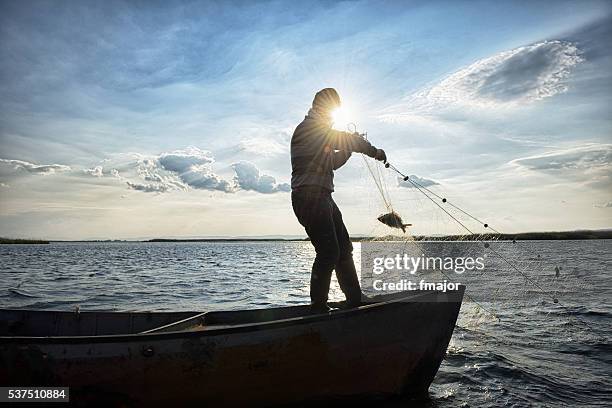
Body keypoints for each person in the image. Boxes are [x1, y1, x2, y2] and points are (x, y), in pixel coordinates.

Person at [290, 88, 387, 313]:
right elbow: (345, 140)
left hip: (322, 195)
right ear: (321, 108)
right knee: (328, 252)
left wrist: (349, 149)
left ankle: (354, 299)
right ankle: (318, 308)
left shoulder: (318, 131)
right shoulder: (309, 129)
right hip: (309, 197)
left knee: (344, 247)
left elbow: (331, 162)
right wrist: (375, 152)